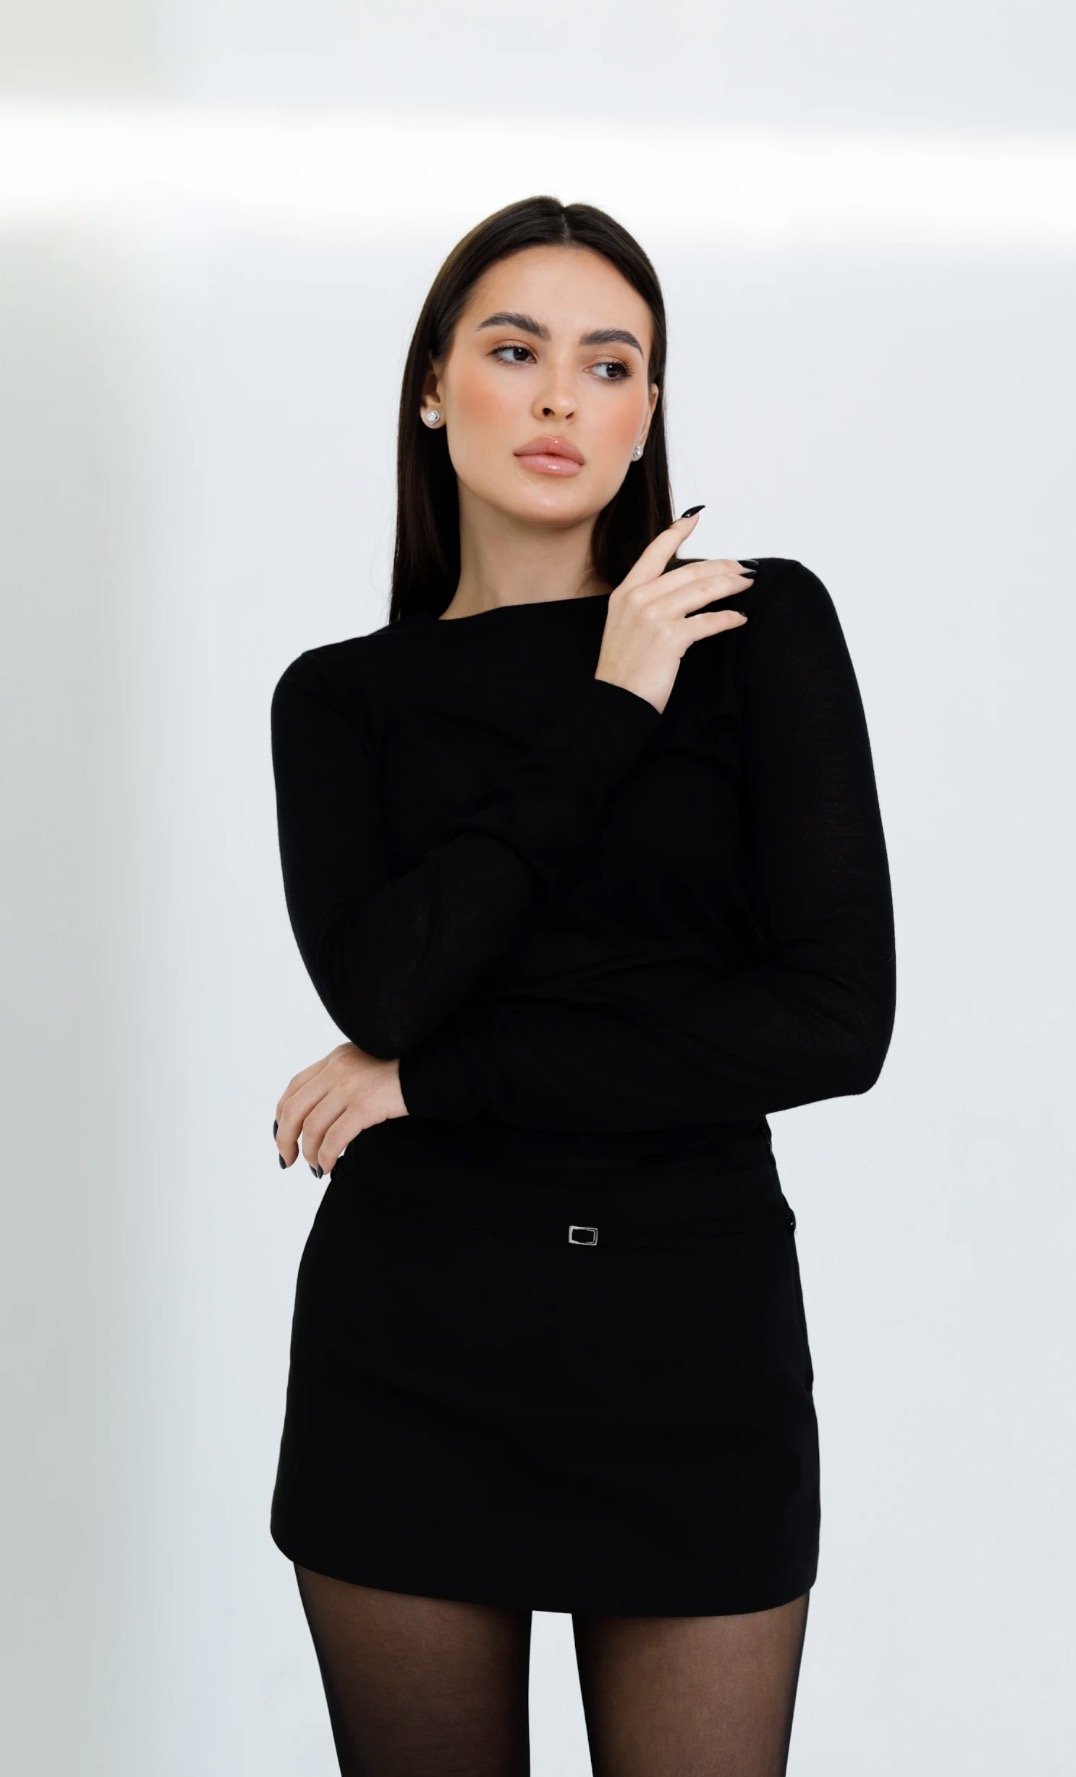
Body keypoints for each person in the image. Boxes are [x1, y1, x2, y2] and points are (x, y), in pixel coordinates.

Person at [269, 194, 896, 1776]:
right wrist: (613, 702)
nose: (561, 395)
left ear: (645, 413)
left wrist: (442, 1080)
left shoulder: (755, 628)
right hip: (410, 1354)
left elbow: (831, 1023)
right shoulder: (341, 702)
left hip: (690, 1349)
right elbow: (393, 983)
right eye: (514, 350)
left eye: (608, 364)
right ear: (433, 386)